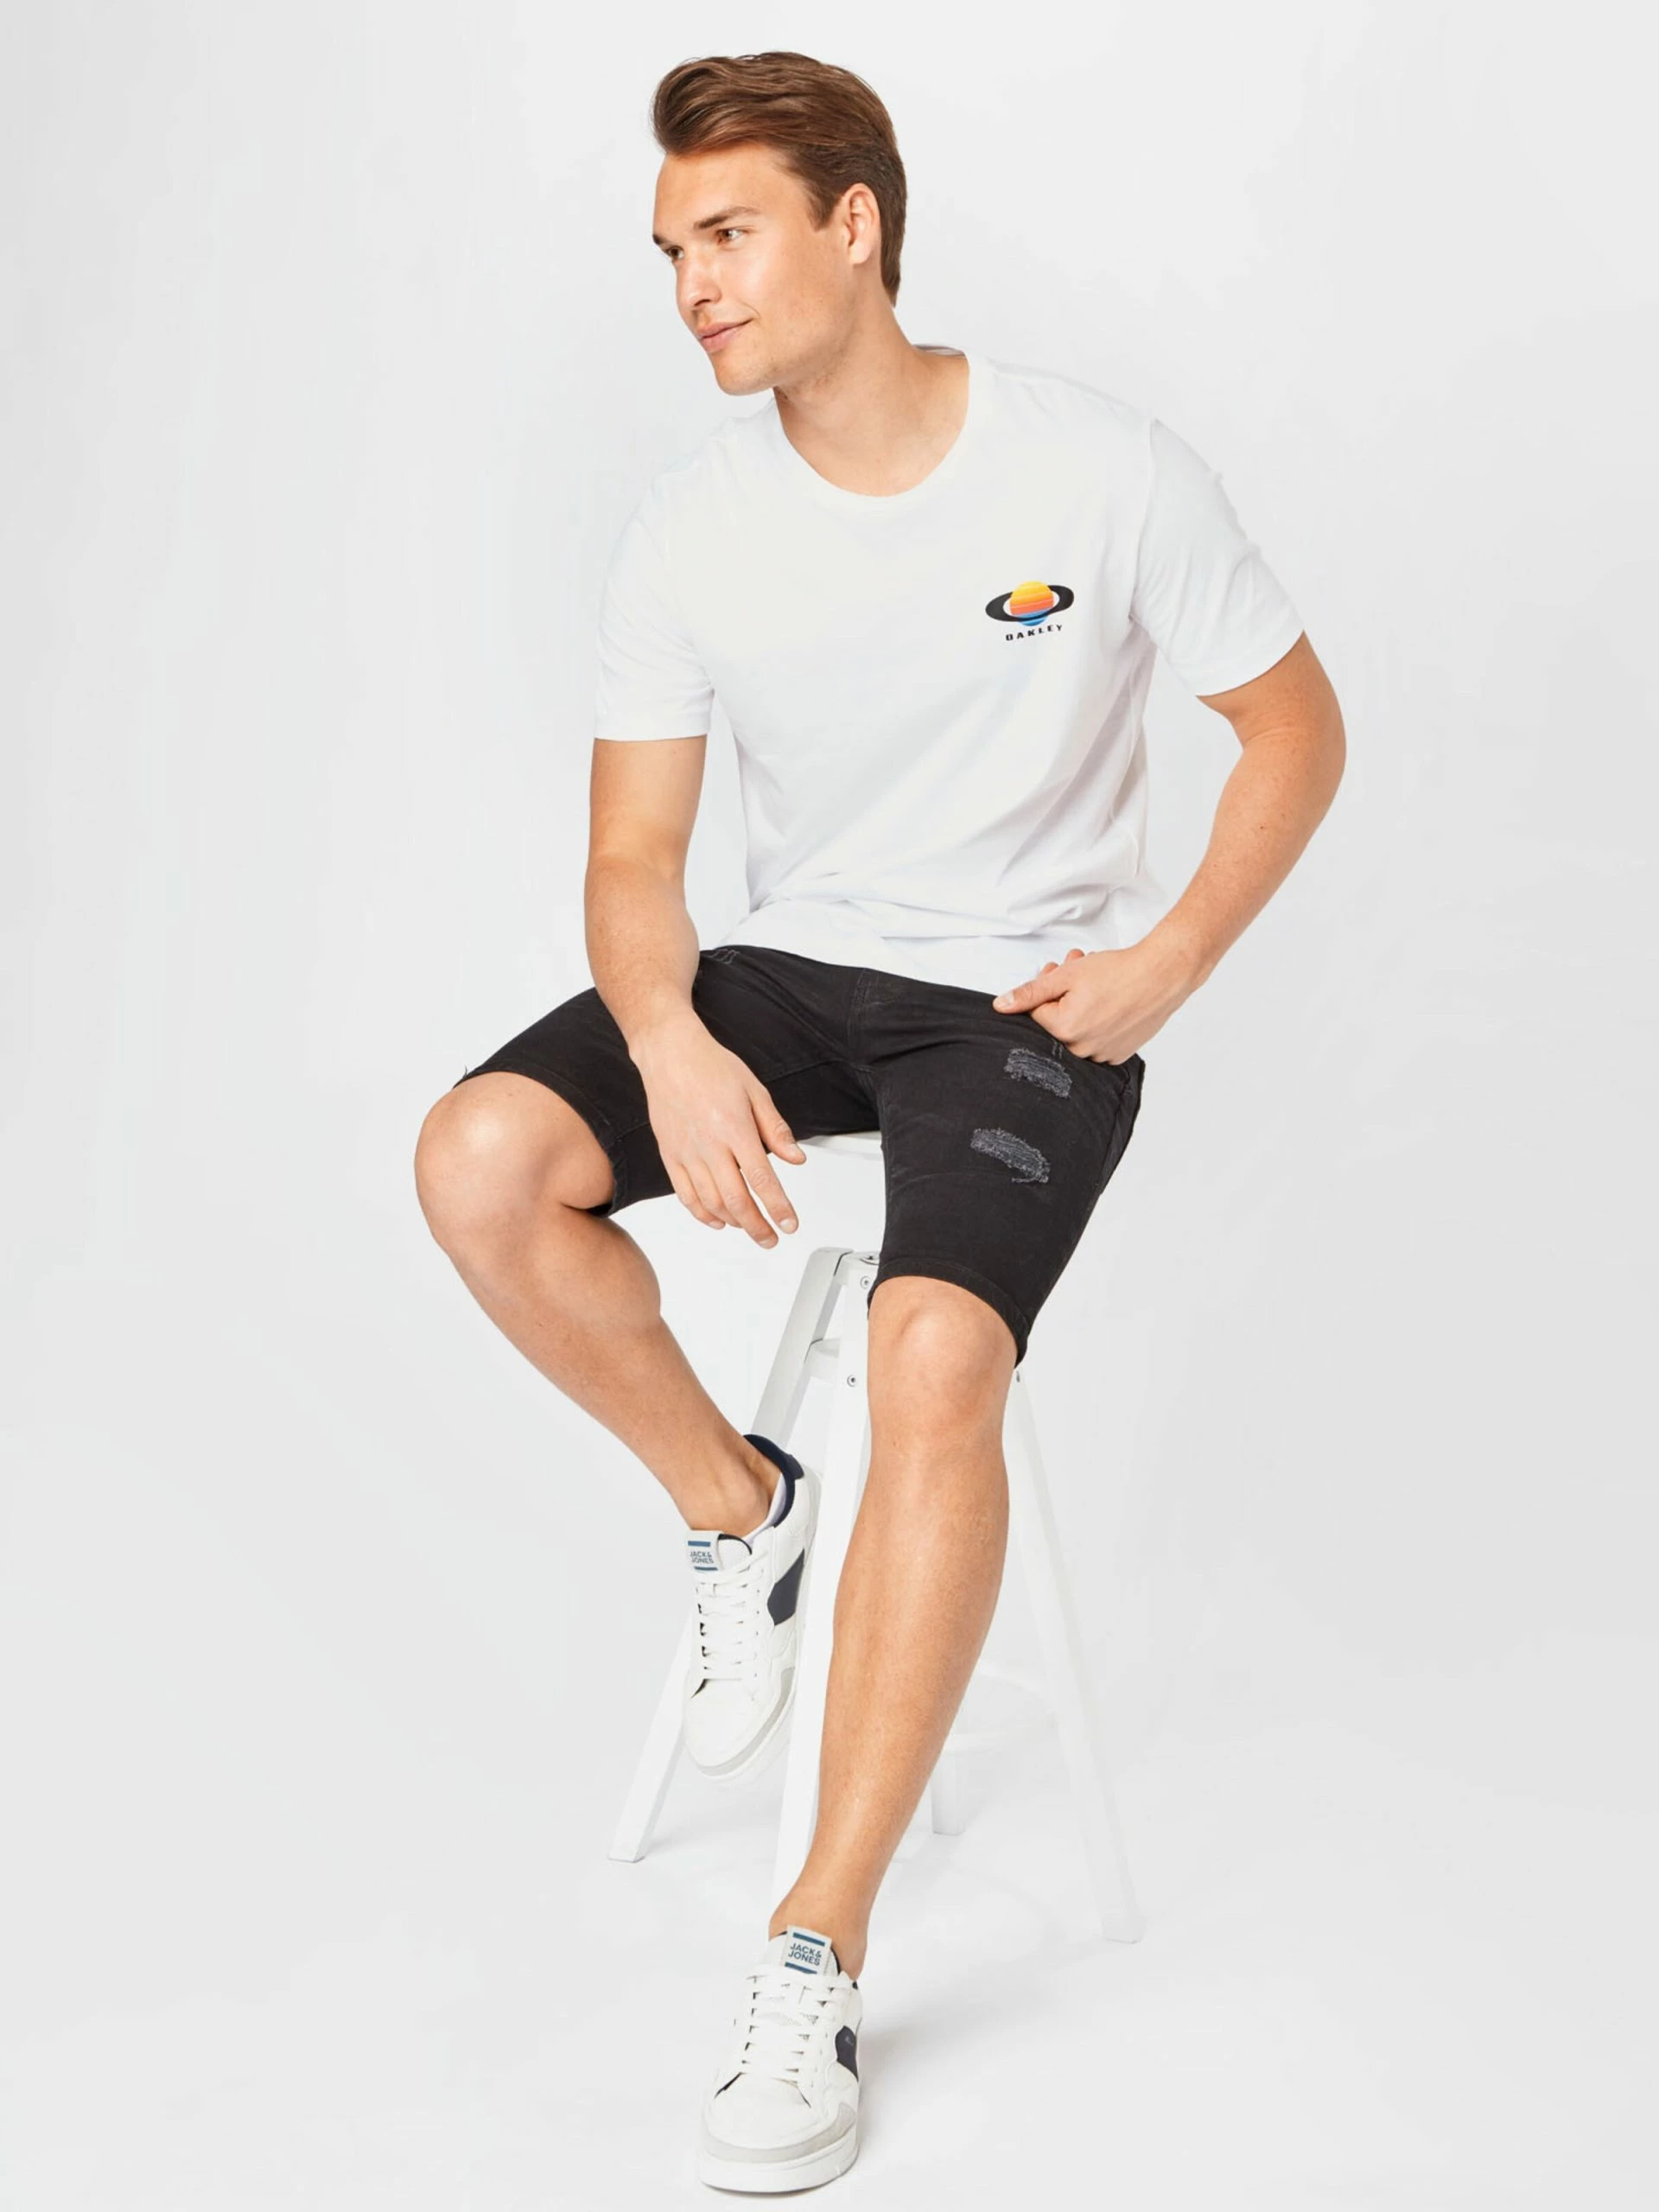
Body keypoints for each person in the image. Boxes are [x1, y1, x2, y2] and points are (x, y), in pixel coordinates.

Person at [414, 47, 1345, 2196]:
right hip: (794, 971)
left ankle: (812, 1949)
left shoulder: (1098, 471)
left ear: (857, 225)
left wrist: (1174, 954)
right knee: (478, 1158)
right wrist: (668, 1035)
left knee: (933, 1353)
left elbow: (1295, 726)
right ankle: (741, 1509)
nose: (694, 285)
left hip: (1021, 1002)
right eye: (672, 248)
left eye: (730, 233)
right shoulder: (692, 529)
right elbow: (633, 860)